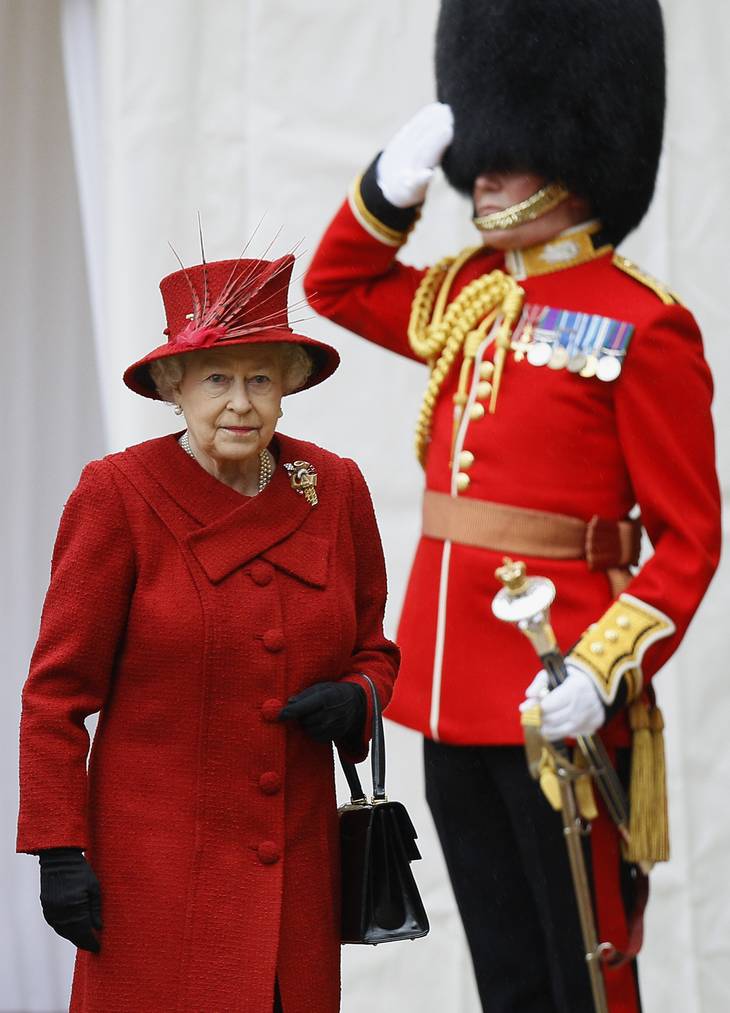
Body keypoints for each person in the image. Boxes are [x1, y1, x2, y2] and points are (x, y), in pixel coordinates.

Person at [303, 1, 721, 1009]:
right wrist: (382, 191)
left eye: (506, 151)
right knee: (502, 962)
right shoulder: (470, 292)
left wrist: (601, 661)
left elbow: (691, 536)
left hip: (556, 693)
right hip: (447, 691)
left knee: (585, 960)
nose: (479, 171)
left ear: (571, 154)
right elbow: (337, 283)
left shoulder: (643, 323)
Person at [17, 250, 399, 1013]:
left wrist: (357, 697)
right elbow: (55, 696)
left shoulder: (335, 488)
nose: (240, 403)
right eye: (217, 378)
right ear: (173, 387)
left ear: (289, 386)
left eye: (261, 378)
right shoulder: (117, 495)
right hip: (152, 880)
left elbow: (373, 648)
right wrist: (60, 848)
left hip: (295, 876)